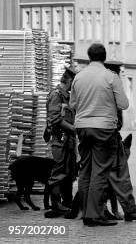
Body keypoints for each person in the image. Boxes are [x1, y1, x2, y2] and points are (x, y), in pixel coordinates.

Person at [71, 43, 129, 227]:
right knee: (100, 170)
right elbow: (123, 104)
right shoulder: (110, 77)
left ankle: (85, 211)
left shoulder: (79, 77)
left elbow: (73, 104)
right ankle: (94, 214)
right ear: (105, 57)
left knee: (85, 170)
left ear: (89, 57)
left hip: (82, 127)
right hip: (103, 128)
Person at [102, 61, 136, 222]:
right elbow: (122, 110)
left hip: (94, 139)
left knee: (96, 177)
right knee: (121, 176)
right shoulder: (113, 90)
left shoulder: (92, 86)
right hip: (110, 140)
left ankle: (97, 211)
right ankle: (130, 210)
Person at [44, 67, 78, 217]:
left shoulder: (67, 97)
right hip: (59, 140)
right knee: (58, 172)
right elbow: (55, 119)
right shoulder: (56, 95)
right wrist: (72, 128)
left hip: (69, 140)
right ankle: (56, 203)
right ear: (69, 80)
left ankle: (67, 202)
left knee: (69, 172)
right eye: (74, 82)